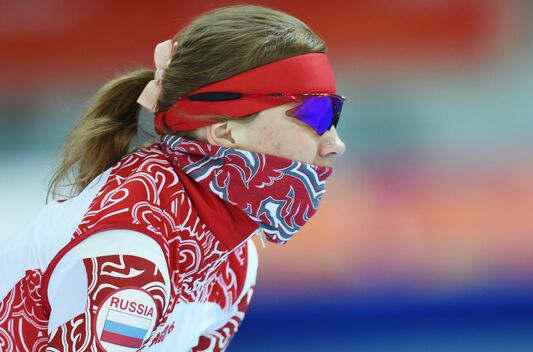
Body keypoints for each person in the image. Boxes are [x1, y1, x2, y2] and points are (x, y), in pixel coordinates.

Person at [0, 4, 346, 351]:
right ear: (225, 133)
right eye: (316, 114)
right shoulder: (129, 256)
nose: (335, 145)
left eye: (335, 114)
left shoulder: (234, 257)